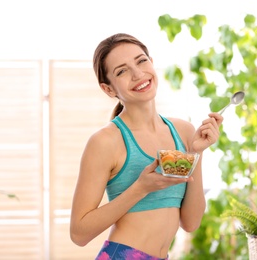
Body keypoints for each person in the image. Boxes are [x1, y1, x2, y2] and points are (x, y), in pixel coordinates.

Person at [70, 33, 223, 260]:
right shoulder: (106, 141)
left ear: (151, 62)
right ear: (108, 89)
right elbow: (78, 233)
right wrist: (140, 188)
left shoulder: (183, 132)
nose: (138, 74)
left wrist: (196, 153)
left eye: (141, 61)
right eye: (121, 71)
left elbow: (191, 222)